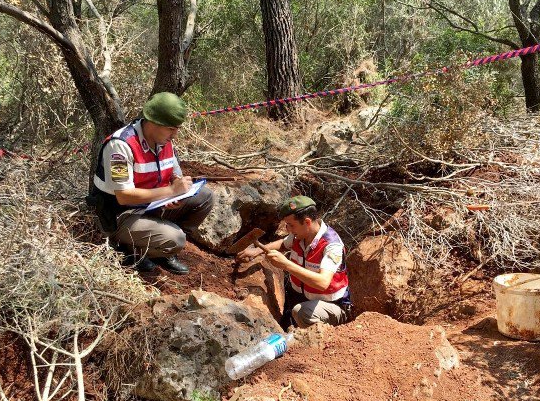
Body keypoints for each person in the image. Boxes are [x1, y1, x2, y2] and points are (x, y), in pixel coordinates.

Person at [89, 92, 214, 274]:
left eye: (177, 128)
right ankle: (130, 251)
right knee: (176, 239)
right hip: (121, 215)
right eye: (171, 128)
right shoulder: (120, 146)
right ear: (153, 122)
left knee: (205, 197)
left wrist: (176, 192)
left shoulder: (163, 141)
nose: (175, 135)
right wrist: (170, 191)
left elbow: (174, 174)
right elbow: (124, 197)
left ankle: (162, 251)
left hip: (151, 205)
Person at [237, 195, 352, 329]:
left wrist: (286, 264)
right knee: (293, 315)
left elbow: (322, 283)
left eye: (291, 225)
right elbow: (283, 244)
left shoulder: (332, 245)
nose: (288, 230)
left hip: (331, 306)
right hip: (300, 298)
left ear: (307, 222)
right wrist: (257, 250)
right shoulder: (300, 235)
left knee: (302, 312)